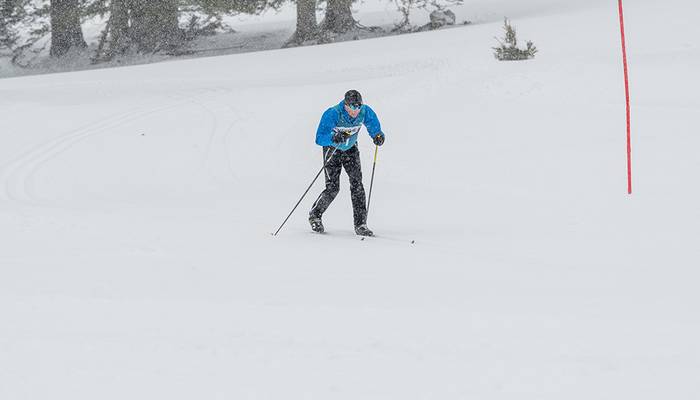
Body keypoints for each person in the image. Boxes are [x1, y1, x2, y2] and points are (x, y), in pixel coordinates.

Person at [309, 90, 385, 236]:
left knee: (357, 185)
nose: (355, 111)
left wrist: (378, 135)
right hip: (333, 150)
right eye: (352, 107)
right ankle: (315, 215)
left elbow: (373, 124)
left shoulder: (364, 111)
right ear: (345, 105)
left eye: (358, 107)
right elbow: (319, 137)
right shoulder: (333, 113)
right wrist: (333, 137)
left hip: (351, 149)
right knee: (333, 188)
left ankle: (361, 224)